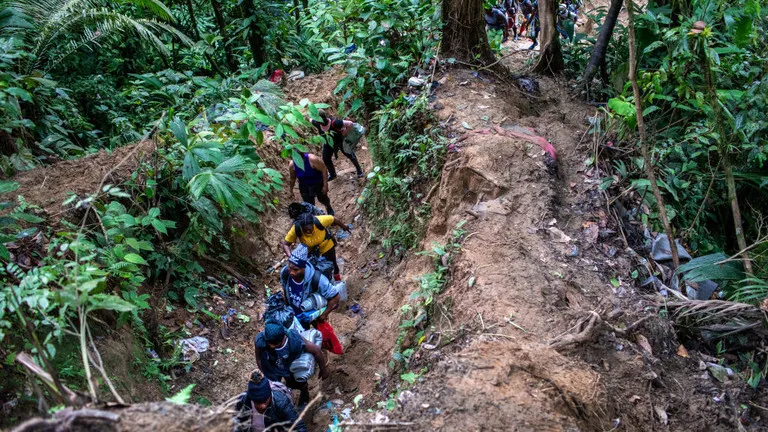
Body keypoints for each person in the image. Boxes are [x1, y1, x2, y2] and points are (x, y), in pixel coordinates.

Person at [254, 322, 328, 408]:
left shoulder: (294, 339)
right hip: (271, 365)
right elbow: (258, 358)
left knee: (297, 382)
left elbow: (316, 350)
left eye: (272, 344)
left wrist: (323, 369)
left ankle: (304, 394)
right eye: (268, 343)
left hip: (288, 363)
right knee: (273, 387)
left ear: (282, 340)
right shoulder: (261, 340)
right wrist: (263, 371)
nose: (270, 345)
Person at [280, 245, 340, 322]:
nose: (291, 272)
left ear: (304, 268)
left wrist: (324, 315)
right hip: (294, 316)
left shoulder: (317, 279)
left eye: (296, 270)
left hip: (310, 315)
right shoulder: (285, 273)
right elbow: (285, 290)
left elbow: (336, 297)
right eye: (290, 267)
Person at [281, 213, 348, 281]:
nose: (308, 231)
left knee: (333, 265)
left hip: (326, 245)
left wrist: (344, 227)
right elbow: (285, 244)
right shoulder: (296, 228)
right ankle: (322, 284)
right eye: (305, 230)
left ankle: (337, 281)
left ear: (313, 224)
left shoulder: (320, 221)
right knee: (314, 270)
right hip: (311, 251)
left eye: (310, 229)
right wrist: (292, 258)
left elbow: (334, 219)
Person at [233, 370, 306, 432]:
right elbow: (237, 422)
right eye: (257, 402)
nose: (262, 406)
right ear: (252, 398)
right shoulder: (243, 401)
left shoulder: (280, 401)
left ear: (270, 395)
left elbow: (298, 426)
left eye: (265, 401)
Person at [311, 110, 364, 180]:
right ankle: (332, 174)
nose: (316, 121)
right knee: (326, 158)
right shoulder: (316, 123)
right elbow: (310, 119)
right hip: (328, 143)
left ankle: (359, 170)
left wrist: (345, 132)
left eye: (317, 120)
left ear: (322, 119)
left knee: (349, 154)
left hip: (340, 141)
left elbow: (350, 123)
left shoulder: (335, 123)